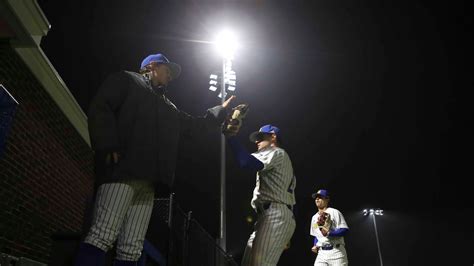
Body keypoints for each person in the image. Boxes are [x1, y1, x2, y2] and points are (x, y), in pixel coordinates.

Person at [74, 53, 235, 266]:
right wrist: (107, 144)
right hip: (122, 172)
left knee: (132, 247)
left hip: (149, 183)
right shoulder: (127, 79)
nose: (170, 75)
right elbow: (101, 107)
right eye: (167, 69)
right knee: (102, 234)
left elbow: (194, 127)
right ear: (151, 66)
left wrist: (219, 112)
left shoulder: (169, 106)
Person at [224, 124, 296, 266]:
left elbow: (245, 162)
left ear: (273, 137)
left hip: (275, 215)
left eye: (260, 137)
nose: (257, 141)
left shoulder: (275, 152)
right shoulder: (281, 157)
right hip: (274, 215)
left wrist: (231, 137)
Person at [310, 189, 349, 266]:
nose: (317, 199)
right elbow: (316, 235)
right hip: (321, 253)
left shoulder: (334, 212)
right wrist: (315, 245)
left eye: (320, 197)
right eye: (316, 197)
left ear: (327, 199)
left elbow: (344, 229)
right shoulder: (314, 218)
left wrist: (329, 233)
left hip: (336, 251)